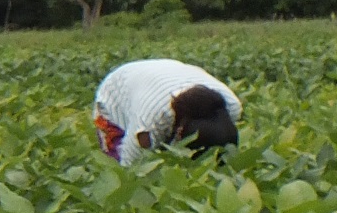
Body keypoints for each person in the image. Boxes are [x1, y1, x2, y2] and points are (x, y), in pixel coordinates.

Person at [93, 58, 240, 164]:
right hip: (117, 92)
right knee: (116, 162)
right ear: (180, 131)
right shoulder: (148, 124)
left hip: (167, 74)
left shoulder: (231, 106)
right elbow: (130, 168)